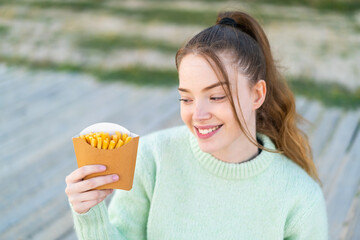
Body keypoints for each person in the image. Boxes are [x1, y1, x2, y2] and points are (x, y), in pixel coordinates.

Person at [65, 10, 328, 239]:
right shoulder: (151, 158)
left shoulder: (300, 197)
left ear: (257, 94)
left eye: (216, 96)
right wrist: (89, 215)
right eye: (186, 98)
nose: (198, 114)